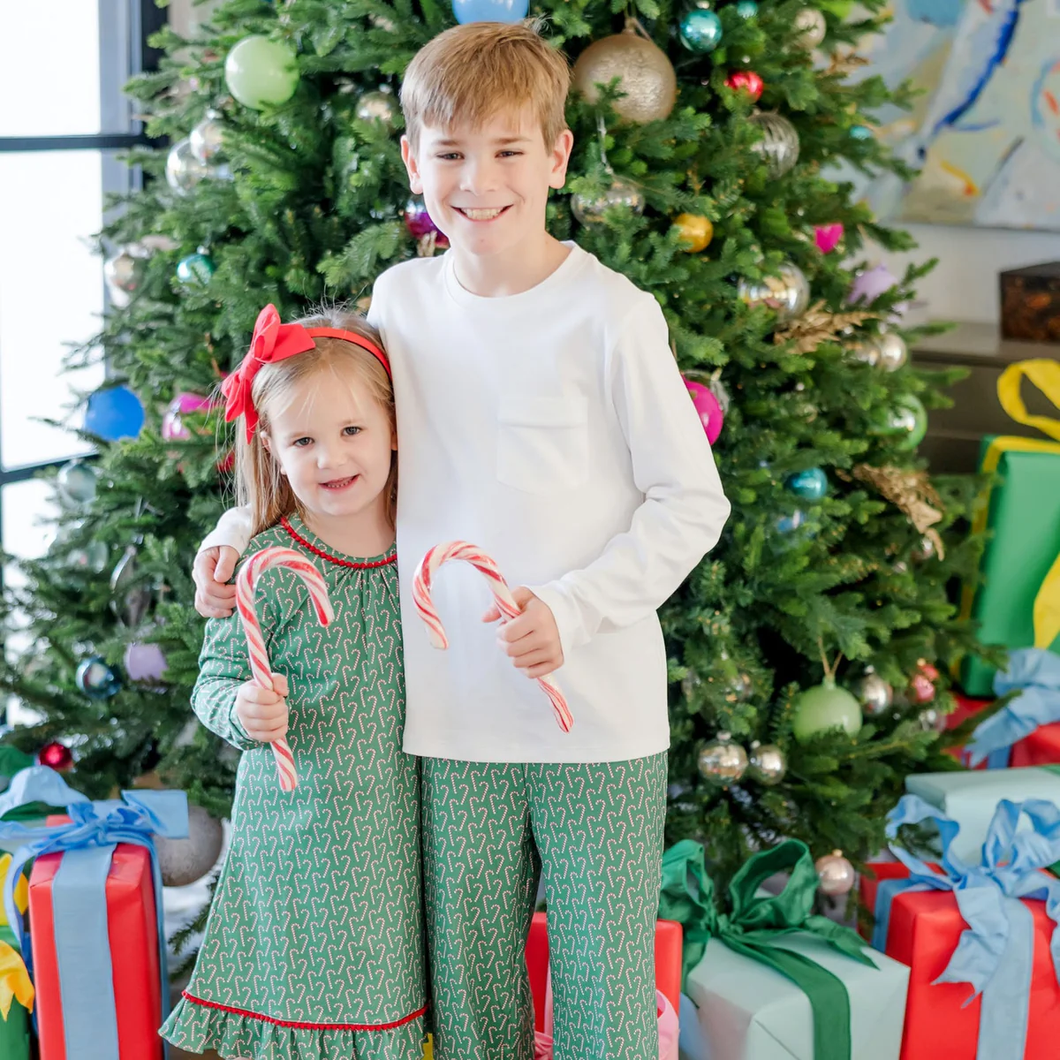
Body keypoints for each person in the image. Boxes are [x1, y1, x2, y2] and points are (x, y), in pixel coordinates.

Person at [193, 20, 730, 1060]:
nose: (476, 181)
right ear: (413, 162)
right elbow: (321, 441)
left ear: (558, 157)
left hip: (597, 721)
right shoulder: (400, 304)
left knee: (600, 981)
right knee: (470, 987)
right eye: (449, 154)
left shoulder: (612, 318)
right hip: (450, 722)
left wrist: (570, 609)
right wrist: (233, 527)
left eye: (507, 152)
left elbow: (688, 501)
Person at [163, 304, 427, 1060]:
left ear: (393, 429)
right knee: (296, 1009)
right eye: (304, 440)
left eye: (351, 431)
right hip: (295, 835)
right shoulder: (266, 567)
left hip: (402, 829)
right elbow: (212, 681)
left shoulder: (427, 546)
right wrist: (243, 709)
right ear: (272, 449)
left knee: (386, 1002)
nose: (330, 458)